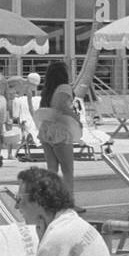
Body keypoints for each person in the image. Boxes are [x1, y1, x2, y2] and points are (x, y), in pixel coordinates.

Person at [35, 59, 82, 193]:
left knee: (52, 169)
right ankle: (68, 203)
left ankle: (51, 200)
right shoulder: (65, 87)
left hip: (46, 128)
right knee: (67, 170)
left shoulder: (47, 89)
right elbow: (62, 107)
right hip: (60, 130)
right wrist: (77, 120)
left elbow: (43, 109)